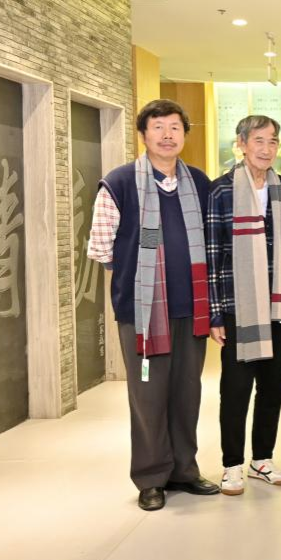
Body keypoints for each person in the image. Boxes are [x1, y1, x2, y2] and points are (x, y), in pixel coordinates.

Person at [87, 99, 216, 511]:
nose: (167, 135)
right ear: (143, 135)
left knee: (187, 394)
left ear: (184, 135)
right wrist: (140, 275)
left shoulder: (199, 183)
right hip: (142, 312)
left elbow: (213, 241)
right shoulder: (120, 182)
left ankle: (184, 471)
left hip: (191, 309)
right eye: (157, 127)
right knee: (148, 396)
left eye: (174, 127)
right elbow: (100, 247)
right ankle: (151, 478)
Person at [205, 115, 281, 495]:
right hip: (239, 306)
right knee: (235, 389)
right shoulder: (221, 190)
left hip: (280, 307)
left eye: (273, 141)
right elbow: (213, 254)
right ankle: (232, 463)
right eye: (259, 140)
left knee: (272, 388)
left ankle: (262, 458)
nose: (267, 148)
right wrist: (216, 312)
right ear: (242, 144)